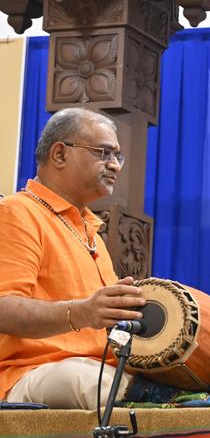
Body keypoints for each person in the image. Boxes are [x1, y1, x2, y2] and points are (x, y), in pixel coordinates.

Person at [0, 108, 146, 409]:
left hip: (97, 367)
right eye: (103, 153)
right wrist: (82, 312)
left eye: (117, 156)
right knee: (91, 382)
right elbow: (3, 307)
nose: (115, 166)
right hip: (28, 373)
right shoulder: (16, 213)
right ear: (59, 154)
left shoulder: (91, 232)